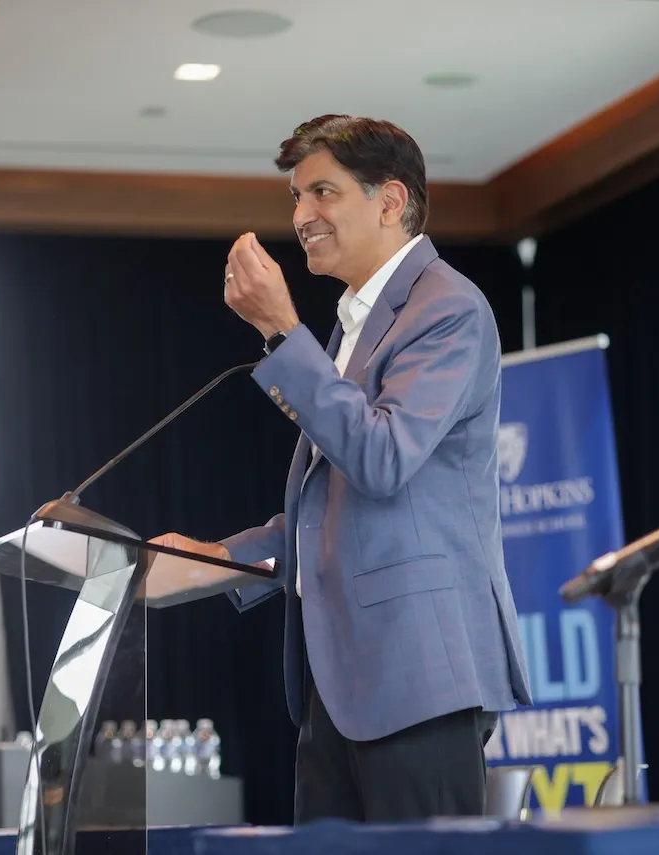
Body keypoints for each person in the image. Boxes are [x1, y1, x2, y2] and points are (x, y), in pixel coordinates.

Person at [152, 114, 531, 823]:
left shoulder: (449, 308)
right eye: (296, 197)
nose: (301, 216)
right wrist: (212, 558)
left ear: (390, 201)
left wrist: (279, 332)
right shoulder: (355, 323)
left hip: (419, 675)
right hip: (342, 682)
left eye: (322, 192)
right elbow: (333, 504)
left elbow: (382, 458)